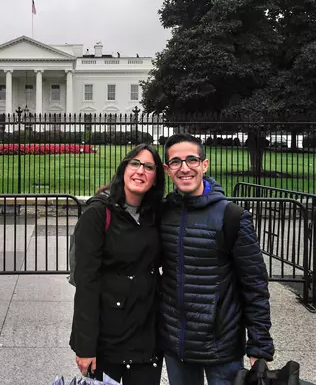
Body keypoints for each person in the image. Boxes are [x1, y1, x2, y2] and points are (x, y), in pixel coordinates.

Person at [158, 134, 274, 385]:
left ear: (204, 164)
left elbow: (254, 284)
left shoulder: (232, 216)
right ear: (167, 170)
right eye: (175, 162)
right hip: (177, 343)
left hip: (221, 343)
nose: (184, 167)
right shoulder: (164, 212)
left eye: (191, 159)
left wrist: (259, 345)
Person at [69, 143, 166, 384]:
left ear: (156, 178)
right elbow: (86, 282)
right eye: (135, 163)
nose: (140, 171)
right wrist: (85, 346)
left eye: (148, 167)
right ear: (123, 169)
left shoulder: (156, 214)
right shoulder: (98, 213)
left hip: (146, 335)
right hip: (107, 337)